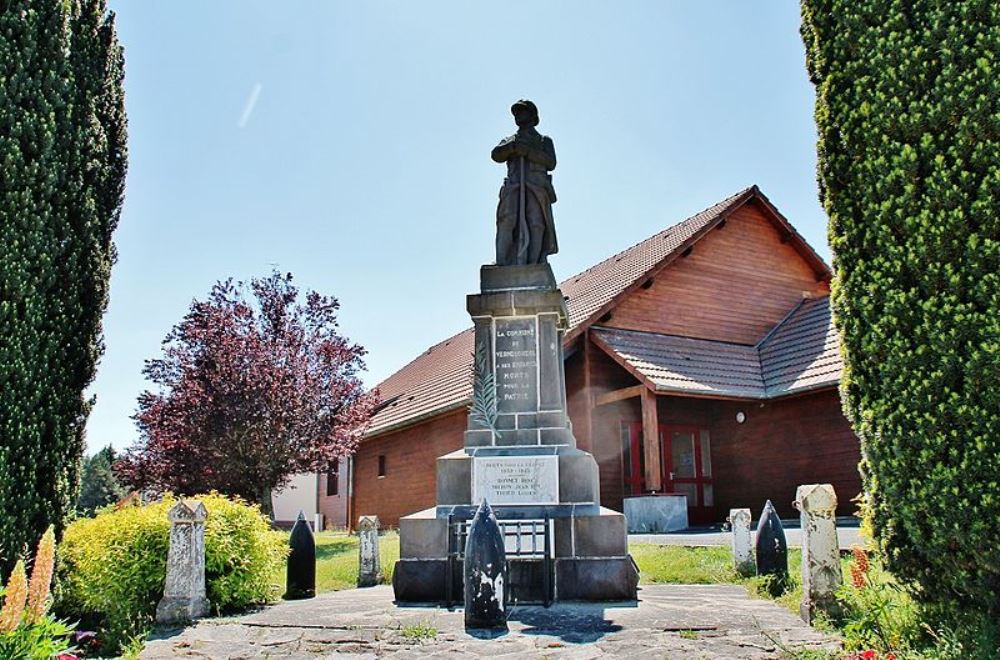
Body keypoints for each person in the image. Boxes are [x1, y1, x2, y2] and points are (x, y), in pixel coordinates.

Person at [492, 100, 558, 265]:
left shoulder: (543, 141)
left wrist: (528, 152)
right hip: (514, 185)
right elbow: (496, 155)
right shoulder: (510, 140)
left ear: (532, 115)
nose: (518, 116)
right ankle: (502, 263)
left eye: (522, 112)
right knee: (506, 220)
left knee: (536, 223)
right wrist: (512, 148)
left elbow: (551, 162)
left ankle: (533, 263)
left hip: (537, 186)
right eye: (516, 113)